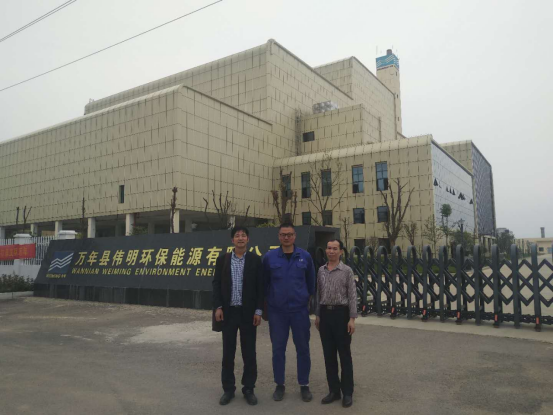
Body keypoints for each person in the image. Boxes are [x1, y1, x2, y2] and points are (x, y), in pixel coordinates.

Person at [263, 222, 316, 403]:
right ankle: (280, 384)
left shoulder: (305, 257)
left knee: (303, 349)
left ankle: (304, 384)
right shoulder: (269, 257)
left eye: (290, 234)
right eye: (283, 234)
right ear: (279, 236)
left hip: (299, 311)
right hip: (277, 312)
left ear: (295, 236)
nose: (286, 237)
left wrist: (305, 300)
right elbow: (264, 283)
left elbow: (311, 283)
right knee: (278, 349)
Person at [212, 226, 264, 406]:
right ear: (232, 240)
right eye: (237, 236)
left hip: (248, 314)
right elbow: (216, 284)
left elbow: (260, 287)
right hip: (228, 313)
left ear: (248, 239)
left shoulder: (255, 260)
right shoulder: (223, 260)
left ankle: (248, 388)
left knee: (249, 353)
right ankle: (228, 389)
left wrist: (258, 311)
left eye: (243, 235)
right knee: (228, 353)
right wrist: (218, 307)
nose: (240, 238)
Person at [315, 239, 357, 408]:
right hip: (325, 314)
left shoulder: (346, 271)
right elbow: (318, 293)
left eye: (335, 248)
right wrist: (318, 315)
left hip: (341, 314)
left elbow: (352, 295)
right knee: (329, 355)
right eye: (329, 248)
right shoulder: (321, 270)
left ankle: (347, 392)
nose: (331, 251)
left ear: (341, 252)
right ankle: (334, 390)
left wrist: (352, 319)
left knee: (344, 354)